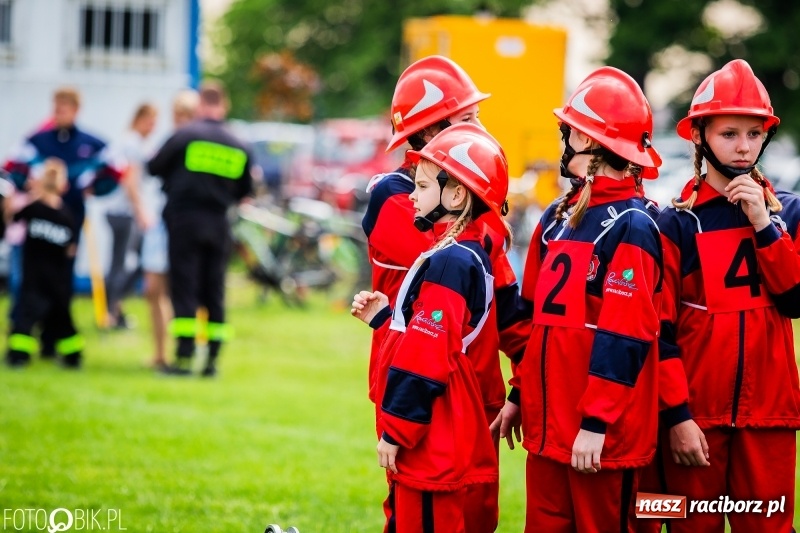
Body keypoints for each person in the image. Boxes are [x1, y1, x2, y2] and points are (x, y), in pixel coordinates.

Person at [494, 67, 663, 532]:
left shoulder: (633, 224)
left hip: (601, 441)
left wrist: (596, 423)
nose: (563, 140)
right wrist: (520, 393)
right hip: (549, 432)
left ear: (587, 140)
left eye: (568, 130)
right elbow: (536, 322)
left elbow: (625, 334)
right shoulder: (557, 216)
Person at [648, 59, 800, 533]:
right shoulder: (675, 222)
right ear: (699, 136)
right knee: (687, 524)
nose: (743, 146)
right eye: (729, 134)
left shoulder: (790, 212)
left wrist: (764, 225)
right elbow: (660, 332)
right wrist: (677, 417)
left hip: (770, 418)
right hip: (697, 420)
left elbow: (795, 301)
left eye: (754, 134)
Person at [352, 123, 507, 533]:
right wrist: (385, 319)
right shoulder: (455, 253)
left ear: (455, 196)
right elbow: (431, 334)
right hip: (435, 434)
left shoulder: (450, 261)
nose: (411, 195)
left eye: (421, 186)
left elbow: (427, 356)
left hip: (430, 442)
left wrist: (397, 431)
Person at [3, 87, 125, 353]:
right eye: (56, 108)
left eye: (64, 109)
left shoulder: (90, 144)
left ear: (75, 110)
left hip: (71, 220)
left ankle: (52, 339)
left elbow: (117, 168)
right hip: (37, 226)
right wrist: (25, 189)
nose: (59, 114)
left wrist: (96, 189)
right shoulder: (38, 141)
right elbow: (12, 169)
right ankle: (21, 334)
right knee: (28, 282)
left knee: (60, 282)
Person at [147, 81, 253, 377]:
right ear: (224, 105)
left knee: (185, 287)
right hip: (219, 223)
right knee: (214, 289)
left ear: (200, 105)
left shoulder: (185, 135)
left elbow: (154, 167)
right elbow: (245, 189)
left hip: (184, 221)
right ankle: (212, 361)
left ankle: (183, 358)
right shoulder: (238, 144)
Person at [5, 159, 82, 368]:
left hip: (33, 277)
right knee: (62, 319)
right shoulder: (67, 215)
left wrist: (18, 197)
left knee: (26, 317)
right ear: (64, 186)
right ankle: (72, 357)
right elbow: (71, 249)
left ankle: (18, 357)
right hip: (58, 280)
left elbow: (11, 218)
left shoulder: (32, 208)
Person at [104, 103, 158, 329]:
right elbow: (130, 182)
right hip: (125, 213)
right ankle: (112, 314)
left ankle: (115, 310)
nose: (153, 128)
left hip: (118, 212)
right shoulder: (133, 144)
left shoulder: (127, 141)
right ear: (140, 119)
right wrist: (141, 212)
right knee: (125, 263)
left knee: (126, 262)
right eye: (150, 123)